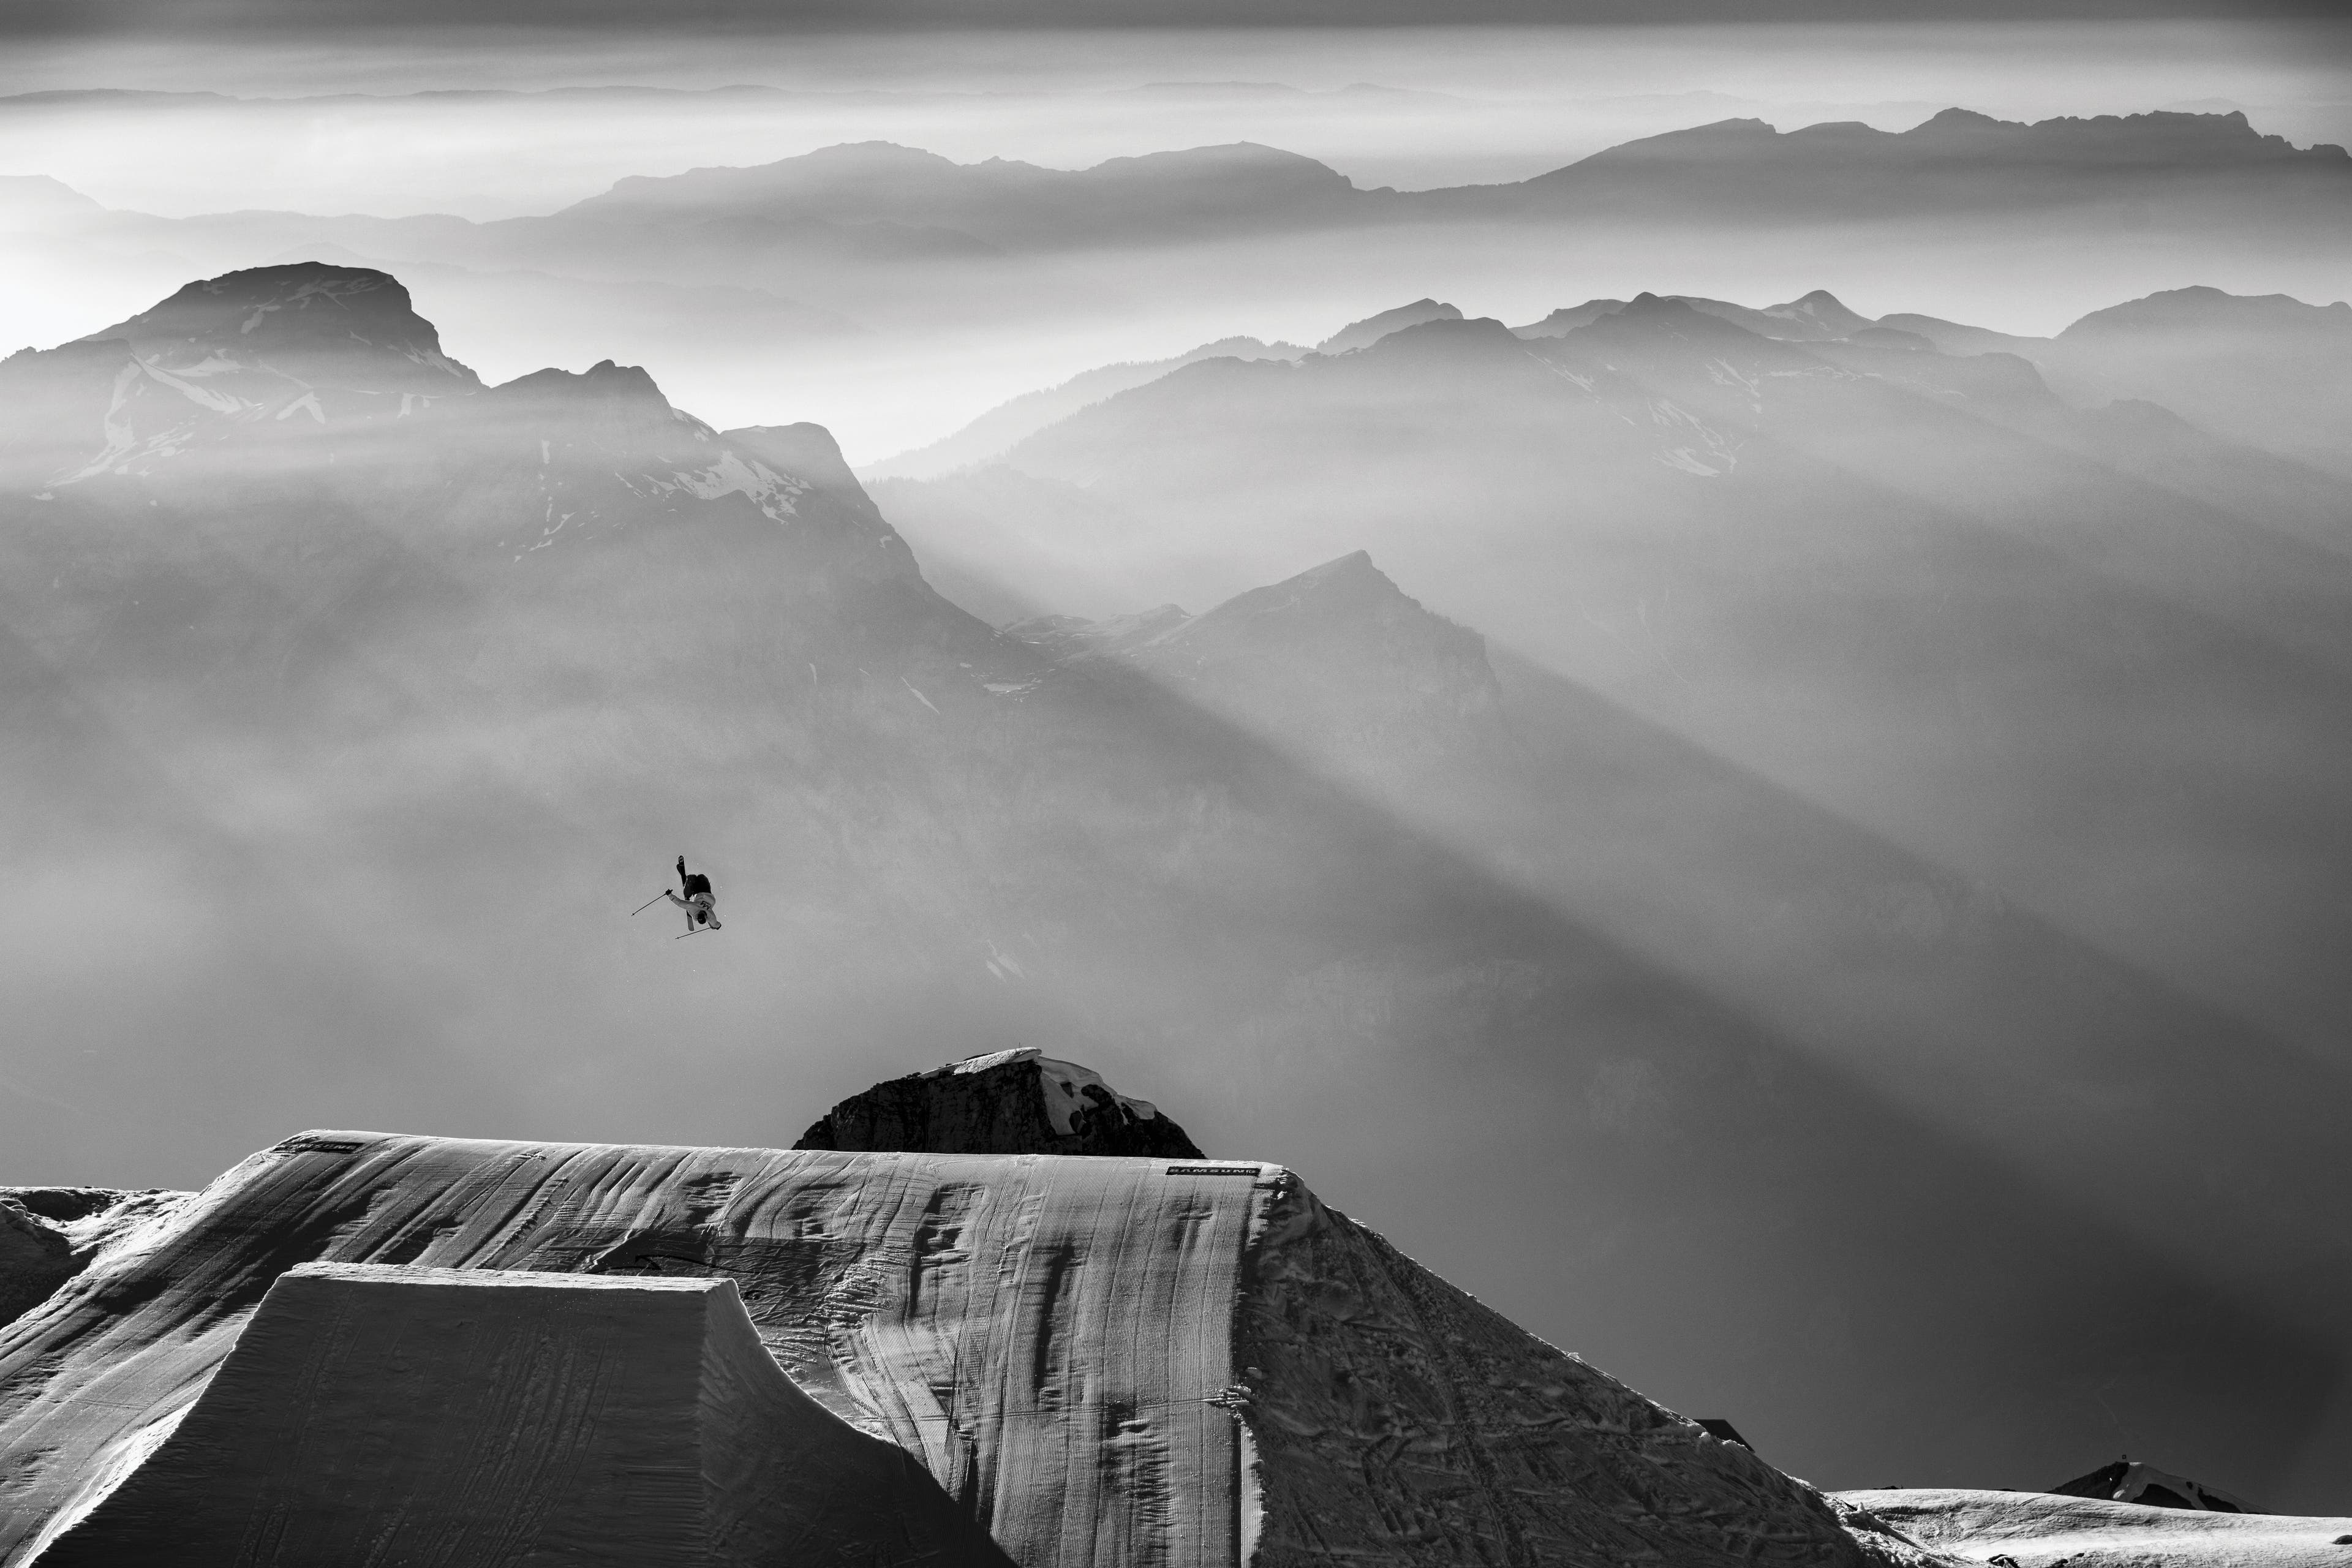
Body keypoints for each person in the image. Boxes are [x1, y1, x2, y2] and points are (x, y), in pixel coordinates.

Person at [665, 855, 721, 933]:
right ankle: (687, 880)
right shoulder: (711, 917)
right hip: (707, 891)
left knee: (692, 878)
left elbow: (679, 903)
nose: (701, 913)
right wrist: (717, 927)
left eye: (700, 915)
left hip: (697, 893)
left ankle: (688, 888)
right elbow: (717, 925)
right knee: (702, 876)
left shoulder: (693, 909)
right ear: (705, 917)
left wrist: (670, 895)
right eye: (702, 914)